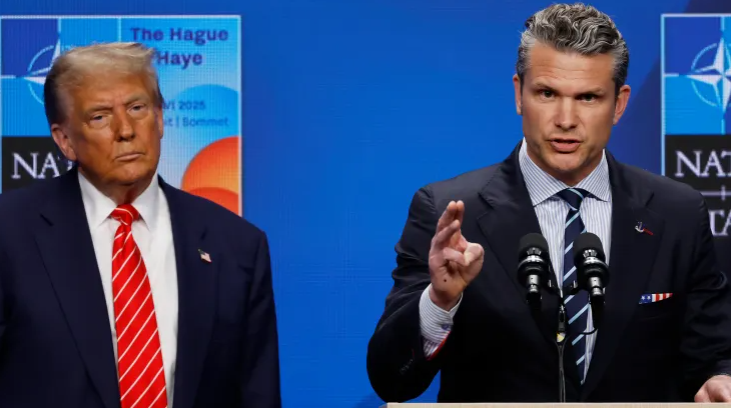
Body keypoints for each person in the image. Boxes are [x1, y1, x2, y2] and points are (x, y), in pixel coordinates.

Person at [367, 3, 731, 403]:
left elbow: (712, 353)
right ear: (519, 94)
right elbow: (391, 380)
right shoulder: (449, 212)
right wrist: (440, 301)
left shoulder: (677, 212)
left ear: (619, 104)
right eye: (547, 93)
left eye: (588, 97)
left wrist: (720, 378)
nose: (565, 119)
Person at [0, 43, 281, 408]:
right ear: (65, 141)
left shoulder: (237, 245)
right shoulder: (10, 233)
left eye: (137, 108)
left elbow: (256, 394)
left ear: (160, 119)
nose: (125, 130)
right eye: (99, 117)